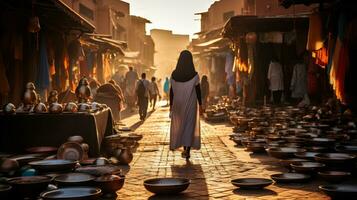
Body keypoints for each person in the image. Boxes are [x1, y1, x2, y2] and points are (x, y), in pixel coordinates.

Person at [170, 50, 202, 159]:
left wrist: (171, 105)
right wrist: (201, 105)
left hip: (178, 104)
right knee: (189, 126)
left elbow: (171, 91)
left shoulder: (174, 74)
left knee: (181, 126)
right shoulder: (195, 75)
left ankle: (184, 149)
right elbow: (198, 91)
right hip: (190, 104)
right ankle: (187, 150)